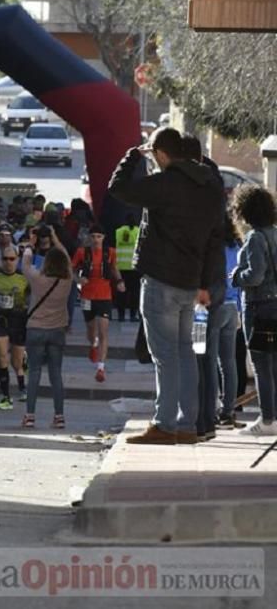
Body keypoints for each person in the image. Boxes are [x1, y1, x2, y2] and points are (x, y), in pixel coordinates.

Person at [109, 127, 225, 445]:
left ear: (161, 153)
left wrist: (131, 156)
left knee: (165, 356)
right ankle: (188, 425)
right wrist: (206, 283)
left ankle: (165, 424)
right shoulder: (212, 186)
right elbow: (216, 239)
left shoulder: (166, 183)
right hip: (192, 284)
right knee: (187, 353)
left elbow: (118, 188)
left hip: (161, 280)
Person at [230, 184, 277, 437]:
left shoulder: (255, 238)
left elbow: (255, 275)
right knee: (275, 365)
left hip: (259, 307)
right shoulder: (276, 234)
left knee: (261, 366)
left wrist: (237, 276)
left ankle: (268, 419)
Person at [20, 242, 74, 429]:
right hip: (57, 330)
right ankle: (59, 416)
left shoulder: (37, 279)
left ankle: (30, 416)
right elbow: (67, 259)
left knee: (34, 372)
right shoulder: (67, 281)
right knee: (56, 374)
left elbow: (25, 265)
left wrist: (29, 247)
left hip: (35, 329)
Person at [71, 224, 124, 383]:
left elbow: (114, 268)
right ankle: (93, 344)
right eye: (93, 236)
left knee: (103, 331)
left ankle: (101, 368)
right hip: (87, 296)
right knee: (90, 330)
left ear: (103, 238)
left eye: (98, 236)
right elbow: (72, 270)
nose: (95, 240)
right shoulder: (82, 252)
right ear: (89, 238)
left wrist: (120, 281)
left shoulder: (110, 252)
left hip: (104, 296)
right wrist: (78, 280)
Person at [215, 216, 244, 430]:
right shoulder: (238, 247)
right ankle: (228, 410)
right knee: (229, 362)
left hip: (210, 308)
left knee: (204, 359)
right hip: (233, 307)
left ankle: (209, 408)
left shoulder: (212, 248)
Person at [0, 245, 29, 408]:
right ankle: (6, 396)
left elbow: (33, 298)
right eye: (5, 259)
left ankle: (22, 387)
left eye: (12, 259)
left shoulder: (24, 278)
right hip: (0, 319)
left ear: (17, 259)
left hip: (19, 320)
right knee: (1, 357)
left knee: (17, 362)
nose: (8, 262)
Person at [114, 214, 141, 322]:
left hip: (121, 267)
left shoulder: (118, 232)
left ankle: (121, 315)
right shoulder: (138, 231)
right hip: (135, 267)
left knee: (121, 292)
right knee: (135, 293)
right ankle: (133, 316)